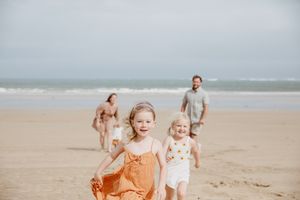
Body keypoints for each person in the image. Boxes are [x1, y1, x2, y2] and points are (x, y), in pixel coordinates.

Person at [90, 101, 166, 200]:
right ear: (132, 122)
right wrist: (98, 171)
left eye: (148, 121)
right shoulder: (127, 143)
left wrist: (161, 186)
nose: (144, 125)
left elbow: (163, 166)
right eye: (139, 121)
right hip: (128, 188)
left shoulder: (156, 144)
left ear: (153, 124)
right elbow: (111, 156)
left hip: (147, 190)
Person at [163, 112, 200, 200]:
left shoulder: (190, 141)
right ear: (173, 126)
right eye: (179, 125)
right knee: (169, 197)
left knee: (181, 193)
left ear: (188, 128)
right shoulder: (169, 139)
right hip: (170, 171)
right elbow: (162, 152)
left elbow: (196, 151)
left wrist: (197, 162)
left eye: (185, 126)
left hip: (183, 171)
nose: (181, 128)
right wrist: (164, 158)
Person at [180, 74, 209, 149]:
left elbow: (206, 108)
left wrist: (203, 119)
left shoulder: (204, 94)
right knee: (186, 135)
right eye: (194, 82)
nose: (195, 83)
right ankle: (192, 148)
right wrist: (182, 116)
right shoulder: (188, 93)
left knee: (193, 135)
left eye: (197, 82)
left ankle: (194, 151)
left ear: (200, 83)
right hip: (188, 119)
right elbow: (183, 105)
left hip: (198, 120)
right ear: (192, 82)